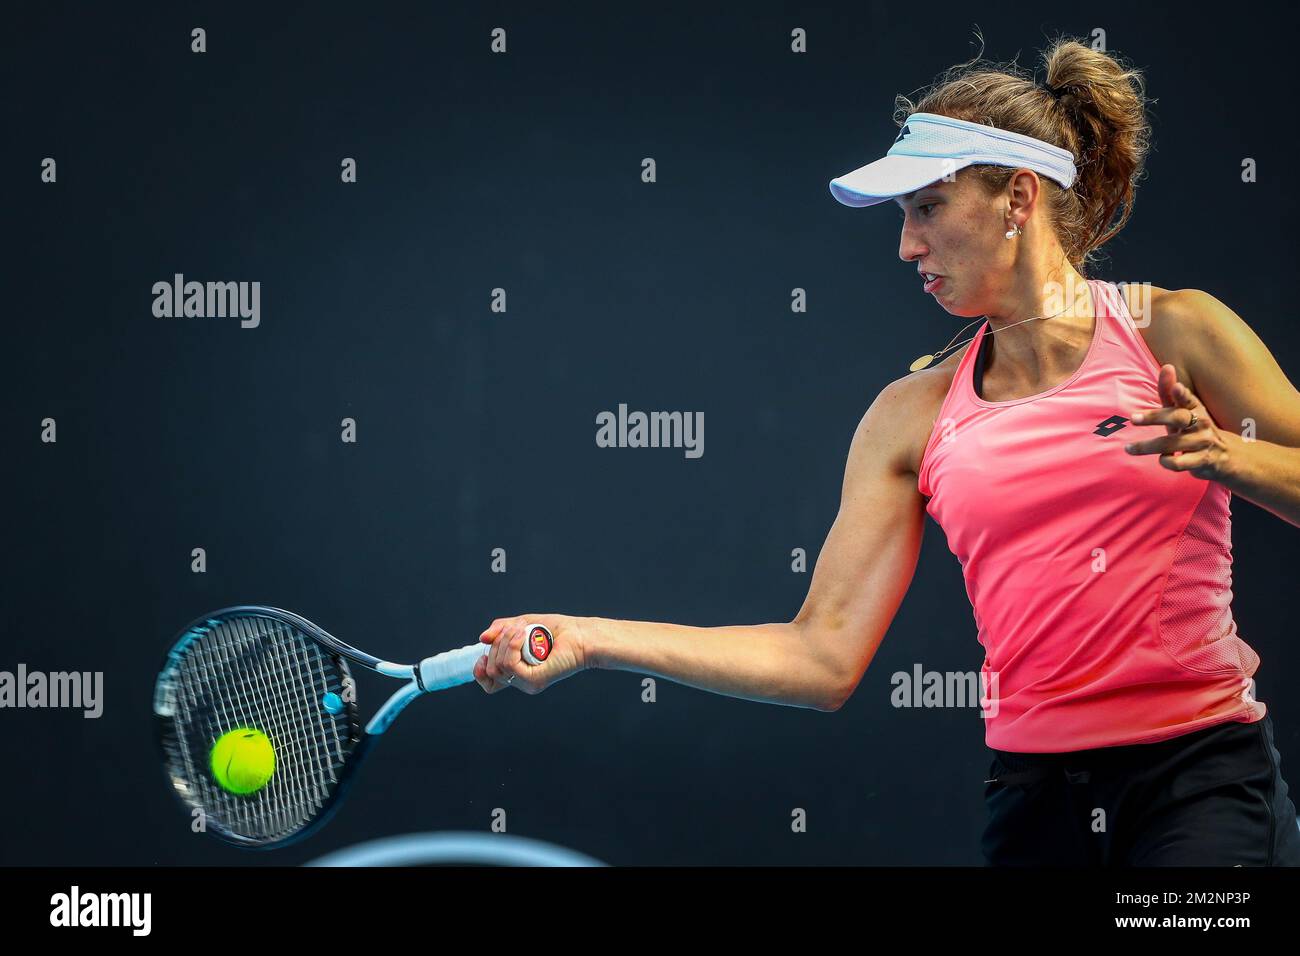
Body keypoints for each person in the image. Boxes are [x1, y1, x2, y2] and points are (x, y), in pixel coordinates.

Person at [474, 36, 1300, 866]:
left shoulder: (1180, 330)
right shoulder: (909, 415)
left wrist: (1232, 458)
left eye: (928, 208)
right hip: (1034, 799)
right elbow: (820, 656)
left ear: (1018, 198)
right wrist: (591, 636)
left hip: (1200, 783)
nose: (906, 246)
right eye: (905, 216)